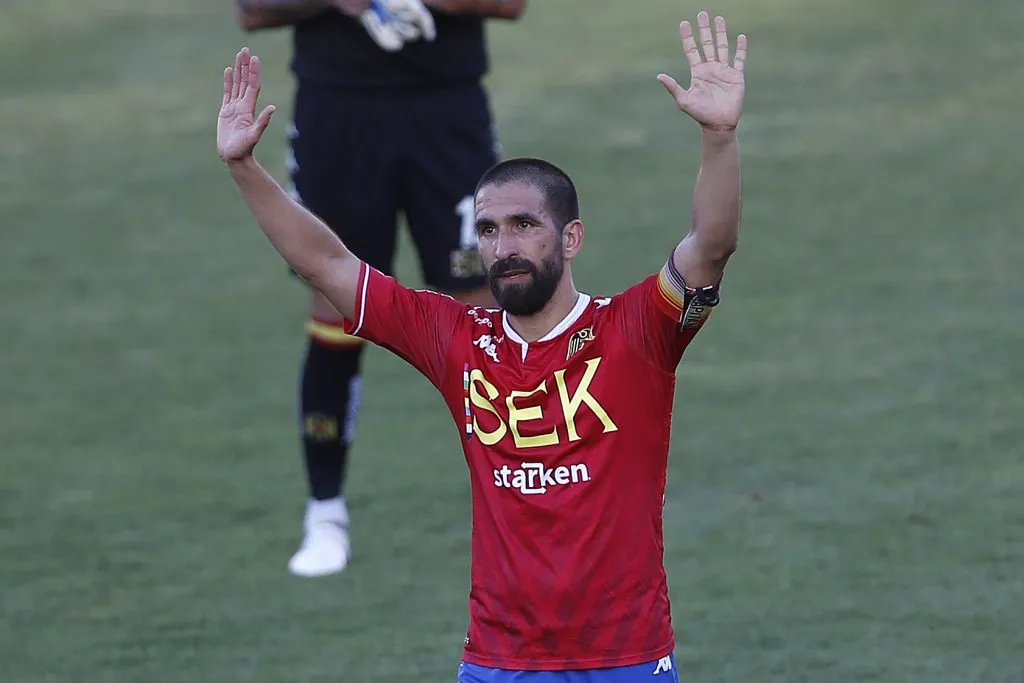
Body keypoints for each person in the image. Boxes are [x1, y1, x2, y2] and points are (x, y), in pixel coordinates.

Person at [217, 8, 747, 680]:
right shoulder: (456, 341)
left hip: (628, 660)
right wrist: (245, 170)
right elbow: (329, 265)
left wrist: (720, 138)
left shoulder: (635, 330)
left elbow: (711, 246)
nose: (505, 245)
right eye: (491, 229)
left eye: (526, 224)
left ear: (572, 238)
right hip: (498, 664)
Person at [234, 0, 527, 578]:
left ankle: (522, 508)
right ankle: (325, 513)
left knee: (484, 309)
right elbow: (253, 11)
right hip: (338, 114)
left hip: (448, 110)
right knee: (338, 305)